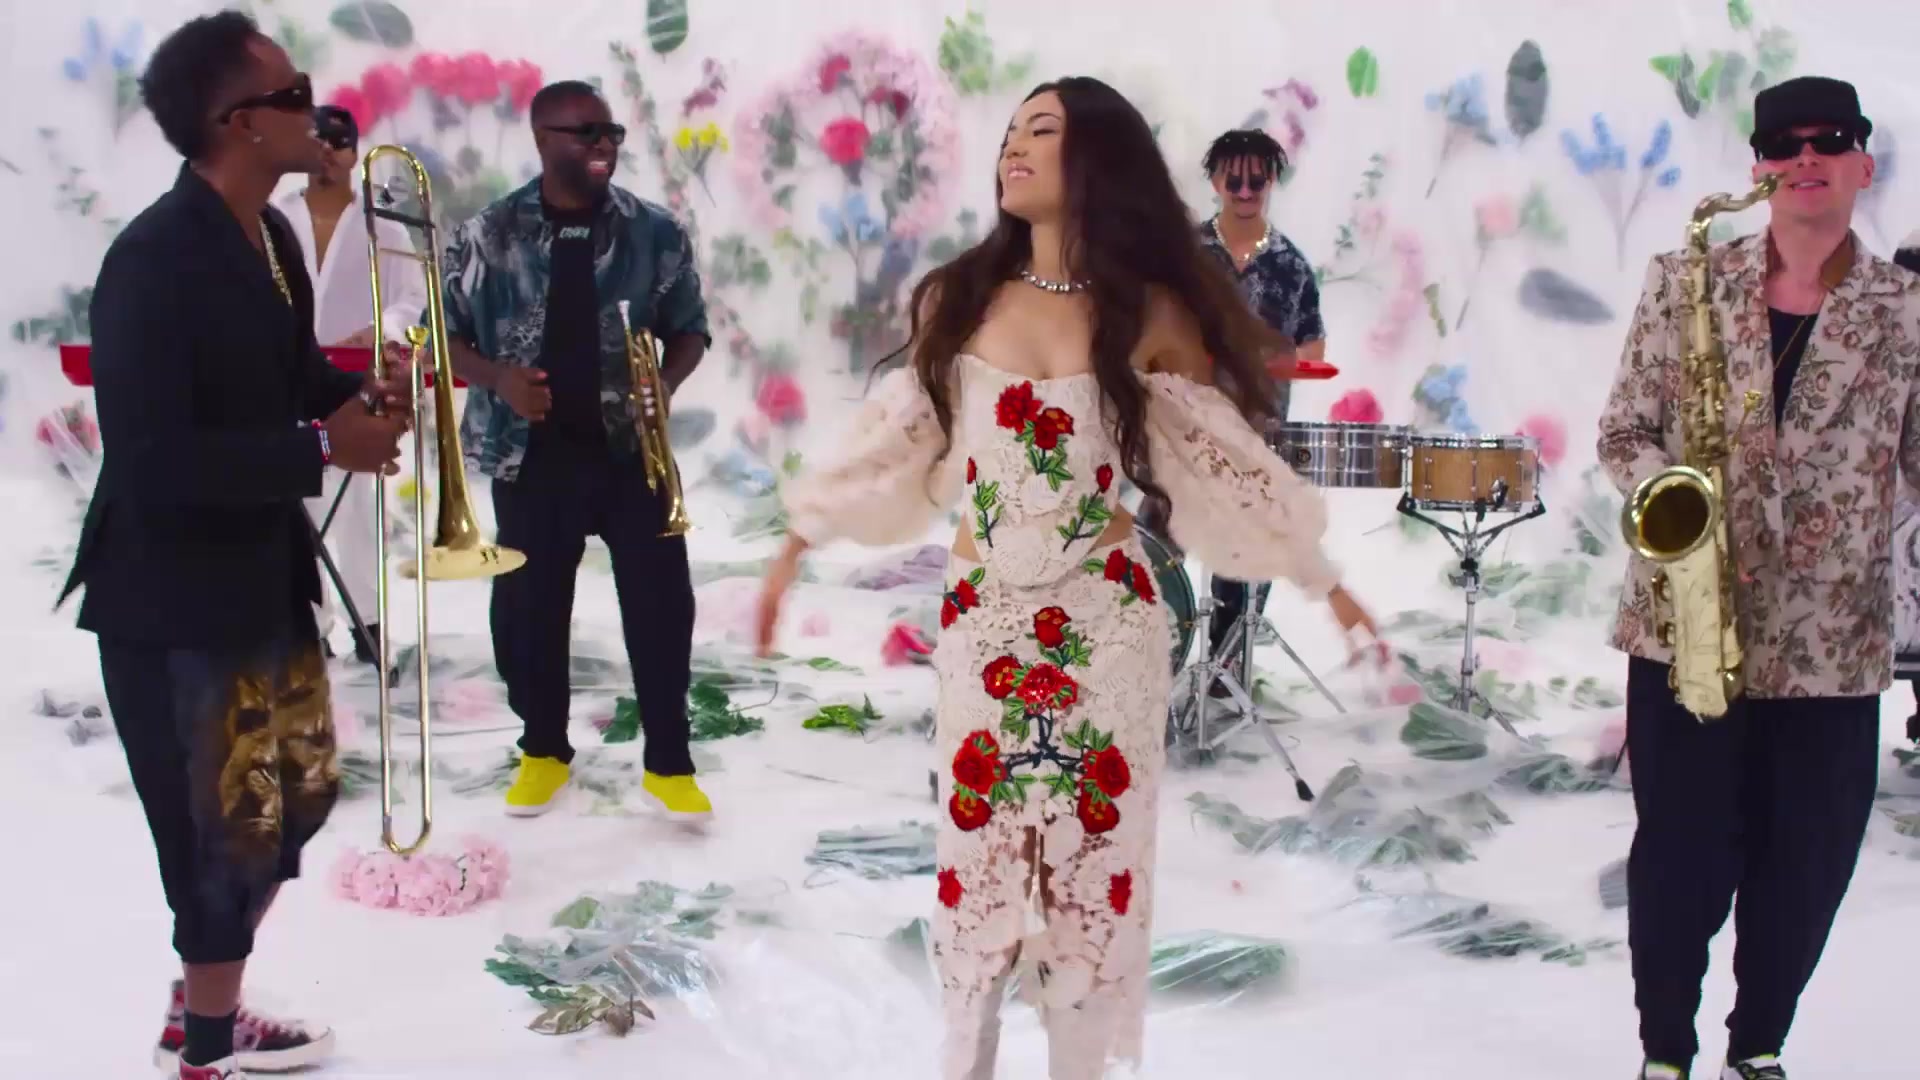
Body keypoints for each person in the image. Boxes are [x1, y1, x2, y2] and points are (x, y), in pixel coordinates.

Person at [754, 77, 1378, 1080]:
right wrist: (799, 540)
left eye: (1039, 130)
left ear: (1094, 159)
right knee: (978, 878)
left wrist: (1322, 577)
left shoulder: (1151, 312)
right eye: (1010, 131)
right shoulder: (960, 298)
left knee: (1093, 883)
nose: (1013, 146)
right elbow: (896, 439)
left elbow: (1219, 461)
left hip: (1108, 627)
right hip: (987, 626)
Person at [56, 12, 410, 1080]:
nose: (317, 109)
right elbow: (153, 458)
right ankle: (203, 1055)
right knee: (220, 844)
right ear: (240, 122)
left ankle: (197, 1003)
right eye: (295, 94)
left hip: (259, 579)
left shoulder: (273, 239)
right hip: (172, 604)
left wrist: (359, 394)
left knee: (288, 807)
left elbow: (289, 380)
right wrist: (324, 446)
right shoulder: (151, 261)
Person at [1597, 75, 1920, 1080]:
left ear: (1863, 164)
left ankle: (1759, 1045)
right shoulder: (1682, 279)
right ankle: (1665, 1051)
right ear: (1759, 167)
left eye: (1829, 140)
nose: (1805, 157)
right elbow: (1625, 430)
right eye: (1784, 143)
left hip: (1832, 639)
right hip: (1686, 627)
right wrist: (1674, 506)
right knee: (1679, 857)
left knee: (1807, 864)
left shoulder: (1908, 309)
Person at [441, 80, 712, 819]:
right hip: (531, 458)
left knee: (662, 608)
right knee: (527, 613)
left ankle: (669, 762)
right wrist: (499, 378)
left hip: (632, 454)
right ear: (542, 139)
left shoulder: (654, 230)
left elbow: (690, 326)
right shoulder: (487, 234)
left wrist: (666, 381)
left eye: (611, 132)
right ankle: (542, 750)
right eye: (586, 132)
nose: (604, 145)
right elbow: (445, 335)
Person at [276, 103, 428, 670]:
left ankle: (369, 624)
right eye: (317, 140)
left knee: (359, 507)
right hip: (284, 375)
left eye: (339, 142)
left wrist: (381, 330)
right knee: (296, 505)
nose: (328, 152)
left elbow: (412, 297)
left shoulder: (381, 224)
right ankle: (309, 626)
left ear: (355, 151)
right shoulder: (275, 217)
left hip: (355, 377)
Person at [1192, 128, 1329, 687]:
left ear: (1272, 181)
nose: (1246, 191)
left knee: (1250, 556)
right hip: (1185, 427)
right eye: (1234, 180)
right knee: (1163, 545)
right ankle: (1159, 664)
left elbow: (1314, 348)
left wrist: (1269, 362)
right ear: (1215, 180)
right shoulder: (1186, 256)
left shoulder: (1291, 265)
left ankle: (1226, 673)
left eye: (1257, 180)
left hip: (1260, 432)